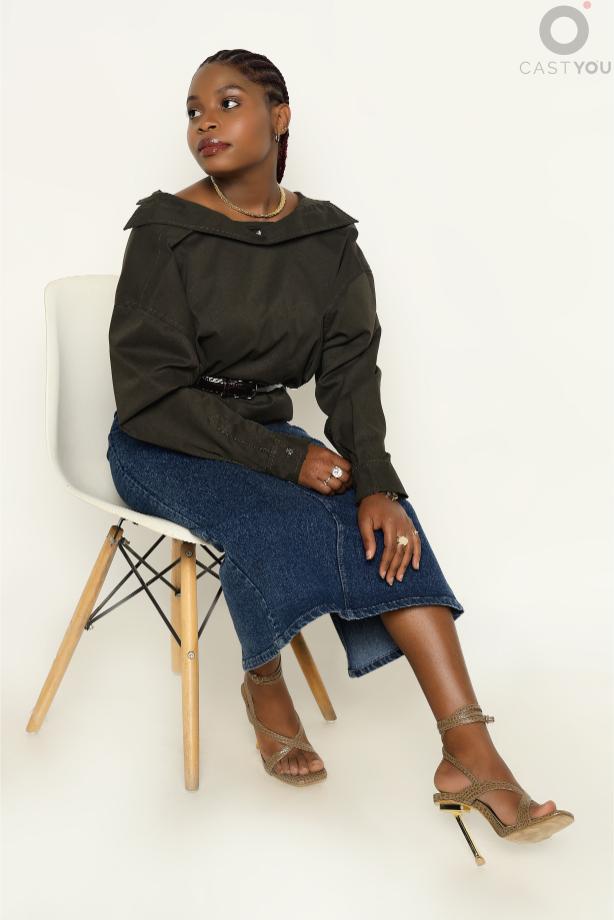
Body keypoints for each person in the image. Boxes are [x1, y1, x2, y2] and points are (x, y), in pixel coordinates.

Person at [106, 48, 573, 858]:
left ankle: (470, 751)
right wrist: (288, 462)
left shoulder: (326, 238)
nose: (205, 121)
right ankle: (263, 681)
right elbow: (149, 391)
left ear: (280, 117)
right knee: (275, 521)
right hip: (163, 440)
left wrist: (379, 485)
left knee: (388, 524)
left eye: (228, 102)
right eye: (193, 110)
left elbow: (352, 375)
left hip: (263, 437)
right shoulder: (165, 230)